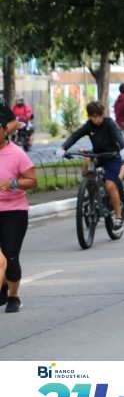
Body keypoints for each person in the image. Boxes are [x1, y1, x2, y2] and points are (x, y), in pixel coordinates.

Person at [56, 101, 124, 228]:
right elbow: (75, 136)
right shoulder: (89, 125)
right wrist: (63, 148)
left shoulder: (109, 123)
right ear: (89, 116)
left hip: (112, 157)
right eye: (95, 116)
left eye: (100, 115)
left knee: (110, 185)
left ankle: (118, 217)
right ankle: (90, 187)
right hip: (98, 155)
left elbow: (118, 136)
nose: (98, 119)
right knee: (86, 160)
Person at [0, 100, 38, 313]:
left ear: (5, 130)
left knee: (10, 256)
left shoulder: (16, 154)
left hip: (14, 212)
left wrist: (13, 183)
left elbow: (32, 181)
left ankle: (13, 295)